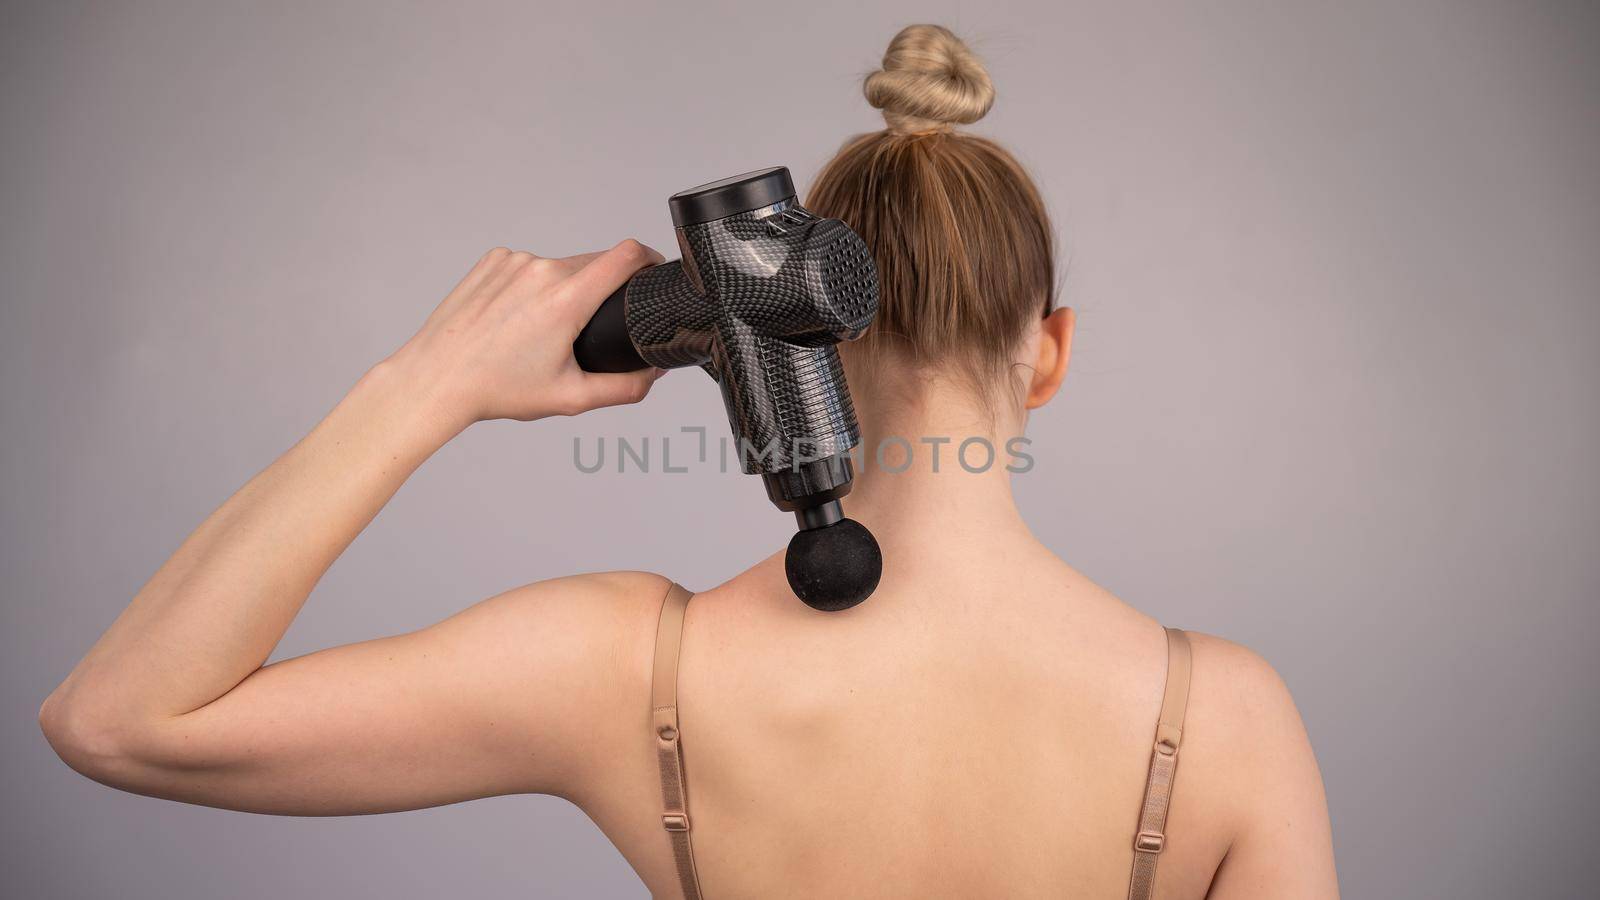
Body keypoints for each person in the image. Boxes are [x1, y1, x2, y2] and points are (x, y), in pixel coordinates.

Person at [38, 24, 1338, 899]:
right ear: (1047, 353)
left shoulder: (624, 675)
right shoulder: (1224, 721)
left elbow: (117, 722)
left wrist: (424, 385)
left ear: (790, 326)